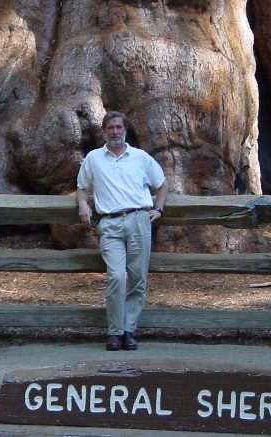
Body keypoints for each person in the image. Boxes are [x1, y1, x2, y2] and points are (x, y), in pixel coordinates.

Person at [76, 111, 170, 351]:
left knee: (137, 278)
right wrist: (83, 204)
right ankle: (114, 332)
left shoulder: (140, 157)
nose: (115, 131)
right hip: (110, 223)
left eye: (118, 127)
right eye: (110, 127)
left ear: (125, 130)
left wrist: (158, 208)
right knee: (117, 277)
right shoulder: (94, 158)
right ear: (104, 131)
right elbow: (82, 187)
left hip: (139, 219)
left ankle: (129, 330)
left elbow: (162, 183)